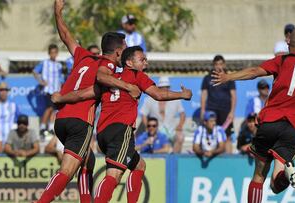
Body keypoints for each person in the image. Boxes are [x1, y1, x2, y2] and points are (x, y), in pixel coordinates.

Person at [34, 1, 140, 203]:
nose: (126, 52)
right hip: (80, 122)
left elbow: (65, 35)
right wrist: (62, 97)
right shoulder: (107, 67)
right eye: (125, 49)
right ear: (118, 52)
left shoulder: (83, 55)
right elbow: (87, 93)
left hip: (61, 121)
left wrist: (57, 12)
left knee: (87, 160)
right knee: (67, 170)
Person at [211, 27, 295, 203]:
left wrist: (228, 77)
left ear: (288, 42)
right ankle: (286, 174)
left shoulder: (282, 60)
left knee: (259, 176)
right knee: (276, 183)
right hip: (292, 129)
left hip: (270, 123)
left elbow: (253, 72)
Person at [94, 46, 192, 203]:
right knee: (113, 176)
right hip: (121, 130)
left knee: (139, 165)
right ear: (129, 62)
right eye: (142, 59)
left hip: (102, 132)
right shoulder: (136, 75)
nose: (146, 63)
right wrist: (183, 94)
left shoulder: (111, 77)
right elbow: (158, 94)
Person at [200, 55, 236, 153]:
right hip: (211, 111)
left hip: (226, 111)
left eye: (220, 64)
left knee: (227, 136)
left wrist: (232, 112)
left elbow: (233, 96)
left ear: (224, 65)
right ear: (213, 65)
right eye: (216, 64)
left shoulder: (229, 78)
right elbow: (204, 95)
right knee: (212, 135)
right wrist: (203, 111)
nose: (218, 66)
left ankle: (229, 160)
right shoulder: (207, 78)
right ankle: (212, 158)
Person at [140, 76, 186, 153]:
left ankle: (174, 158)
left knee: (180, 137)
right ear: (158, 88)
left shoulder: (175, 100)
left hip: (171, 129)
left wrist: (180, 125)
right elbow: (143, 114)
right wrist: (148, 127)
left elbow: (182, 114)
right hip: (156, 130)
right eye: (162, 87)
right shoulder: (150, 99)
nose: (165, 89)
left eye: (166, 87)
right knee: (150, 139)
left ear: (169, 87)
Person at [33, 44, 63, 136]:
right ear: (49, 53)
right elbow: (35, 71)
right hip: (48, 89)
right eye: (51, 53)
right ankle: (42, 127)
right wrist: (41, 81)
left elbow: (60, 78)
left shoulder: (59, 65)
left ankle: (50, 127)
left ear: (57, 53)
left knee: (54, 109)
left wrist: (61, 87)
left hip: (56, 90)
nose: (53, 54)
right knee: (49, 108)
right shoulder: (44, 63)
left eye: (55, 52)